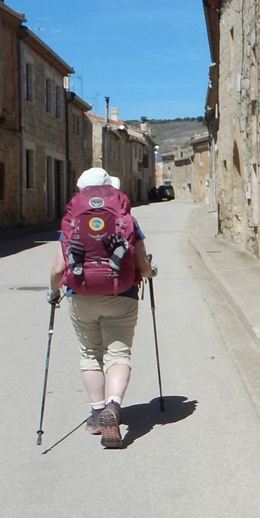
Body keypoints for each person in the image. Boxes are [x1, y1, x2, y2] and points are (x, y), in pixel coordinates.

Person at [48, 167, 155, 448]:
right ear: (111, 189)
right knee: (118, 353)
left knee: (90, 353)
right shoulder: (126, 218)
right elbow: (142, 265)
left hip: (81, 294)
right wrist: (151, 272)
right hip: (122, 292)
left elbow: (59, 267)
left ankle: (97, 413)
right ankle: (114, 405)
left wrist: (53, 292)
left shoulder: (72, 222)